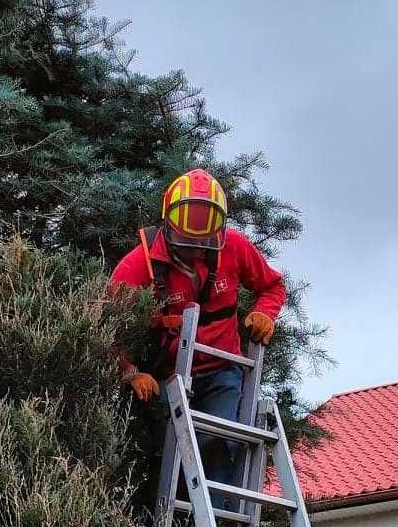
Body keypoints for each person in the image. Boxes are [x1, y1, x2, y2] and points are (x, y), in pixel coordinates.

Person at [108, 168, 285, 492]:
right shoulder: (138, 265)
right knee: (171, 455)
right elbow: (106, 325)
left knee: (217, 442)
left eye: (202, 245)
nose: (194, 251)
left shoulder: (234, 246)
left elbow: (272, 286)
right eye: (186, 244)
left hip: (222, 368)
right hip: (169, 375)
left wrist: (263, 313)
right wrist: (131, 372)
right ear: (168, 225)